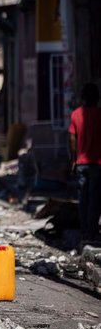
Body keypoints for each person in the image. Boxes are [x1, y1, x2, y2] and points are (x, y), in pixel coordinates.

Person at [68, 83, 101, 244]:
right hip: (97, 163)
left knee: (83, 198)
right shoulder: (99, 114)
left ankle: (84, 231)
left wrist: (73, 159)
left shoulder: (75, 115)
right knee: (95, 198)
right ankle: (92, 230)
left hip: (81, 163)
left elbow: (72, 138)